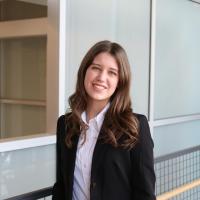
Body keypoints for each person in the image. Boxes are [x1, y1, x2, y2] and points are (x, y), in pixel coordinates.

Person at [52, 40, 156, 200]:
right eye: (96, 68)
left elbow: (145, 194)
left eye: (112, 73)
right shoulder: (65, 124)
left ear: (120, 81)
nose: (101, 77)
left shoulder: (135, 126)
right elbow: (62, 185)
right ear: (85, 71)